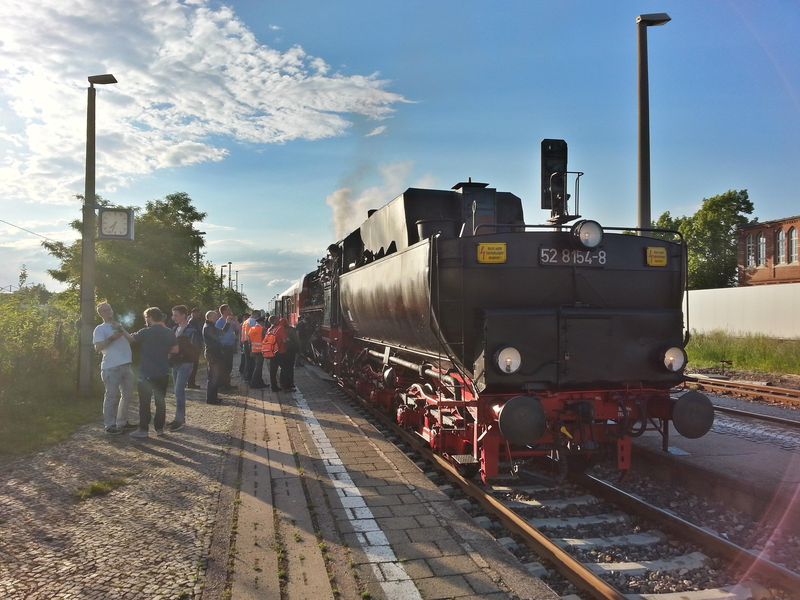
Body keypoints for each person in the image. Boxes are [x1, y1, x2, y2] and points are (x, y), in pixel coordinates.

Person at [122, 307, 178, 439]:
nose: (145, 320)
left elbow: (131, 339)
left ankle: (143, 430)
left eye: (146, 317)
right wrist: (163, 352)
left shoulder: (146, 332)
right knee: (160, 402)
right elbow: (175, 350)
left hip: (146, 372)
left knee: (145, 402)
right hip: (163, 372)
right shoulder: (169, 332)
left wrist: (121, 329)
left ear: (151, 317)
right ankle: (159, 429)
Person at [92, 302, 135, 435]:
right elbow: (98, 348)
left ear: (112, 310)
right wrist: (111, 338)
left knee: (127, 395)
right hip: (111, 367)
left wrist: (121, 330)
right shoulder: (100, 329)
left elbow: (131, 340)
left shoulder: (118, 325)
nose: (108, 312)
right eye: (104, 310)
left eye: (109, 309)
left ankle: (122, 422)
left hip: (126, 365)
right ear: (101, 314)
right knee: (111, 396)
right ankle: (109, 425)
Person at [168, 305, 202, 431]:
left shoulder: (192, 331)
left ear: (183, 315)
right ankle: (178, 418)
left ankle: (180, 420)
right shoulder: (174, 329)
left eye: (176, 315)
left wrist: (183, 351)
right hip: (175, 363)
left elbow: (196, 348)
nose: (173, 317)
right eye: (173, 315)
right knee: (177, 392)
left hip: (186, 363)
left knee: (178, 390)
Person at [204, 309, 234, 405]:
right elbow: (219, 335)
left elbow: (221, 333)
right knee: (213, 377)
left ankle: (213, 397)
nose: (217, 318)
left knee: (214, 377)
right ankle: (211, 399)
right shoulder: (208, 327)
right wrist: (227, 323)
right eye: (215, 316)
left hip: (214, 353)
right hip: (213, 354)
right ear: (210, 317)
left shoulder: (210, 326)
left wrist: (227, 323)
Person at [215, 304, 239, 390]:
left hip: (230, 346)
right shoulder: (219, 322)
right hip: (223, 347)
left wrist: (235, 321)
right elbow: (218, 334)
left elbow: (237, 329)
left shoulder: (230, 320)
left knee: (229, 366)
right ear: (224, 311)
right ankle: (224, 384)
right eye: (228, 309)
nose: (230, 311)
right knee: (224, 366)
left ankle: (226, 383)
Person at [264, 316, 288, 392]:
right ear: (275, 320)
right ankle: (284, 385)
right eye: (278, 319)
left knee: (273, 371)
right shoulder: (280, 328)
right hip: (280, 352)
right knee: (285, 369)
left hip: (272, 352)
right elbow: (285, 340)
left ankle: (274, 387)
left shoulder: (269, 329)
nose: (280, 319)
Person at [186, 307, 204, 389]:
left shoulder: (194, 321)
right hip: (194, 346)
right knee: (193, 366)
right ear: (193, 313)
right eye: (197, 313)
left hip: (195, 345)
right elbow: (198, 332)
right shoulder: (192, 322)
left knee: (194, 366)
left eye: (198, 313)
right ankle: (191, 383)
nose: (198, 314)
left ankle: (191, 382)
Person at [248, 314, 267, 388]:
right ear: (262, 322)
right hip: (260, 351)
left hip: (253, 350)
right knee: (258, 368)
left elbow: (249, 340)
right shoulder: (262, 329)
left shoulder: (252, 329)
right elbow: (265, 340)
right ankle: (254, 383)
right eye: (264, 322)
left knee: (257, 367)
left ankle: (260, 382)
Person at [282, 320, 300, 390]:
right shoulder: (291, 330)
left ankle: (283, 383)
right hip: (290, 352)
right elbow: (296, 340)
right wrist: (298, 350)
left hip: (282, 351)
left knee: (284, 368)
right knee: (290, 368)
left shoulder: (278, 329)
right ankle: (290, 384)